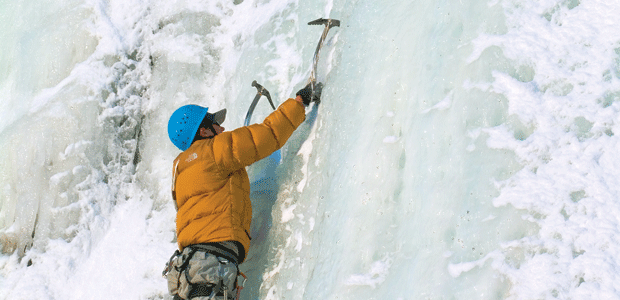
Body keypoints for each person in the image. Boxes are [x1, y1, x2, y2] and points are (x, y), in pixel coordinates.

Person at [164, 82, 321, 300]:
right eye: (215, 124)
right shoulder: (215, 149)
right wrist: (298, 103)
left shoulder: (179, 169)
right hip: (212, 264)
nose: (222, 129)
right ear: (203, 131)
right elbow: (267, 136)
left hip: (189, 266)